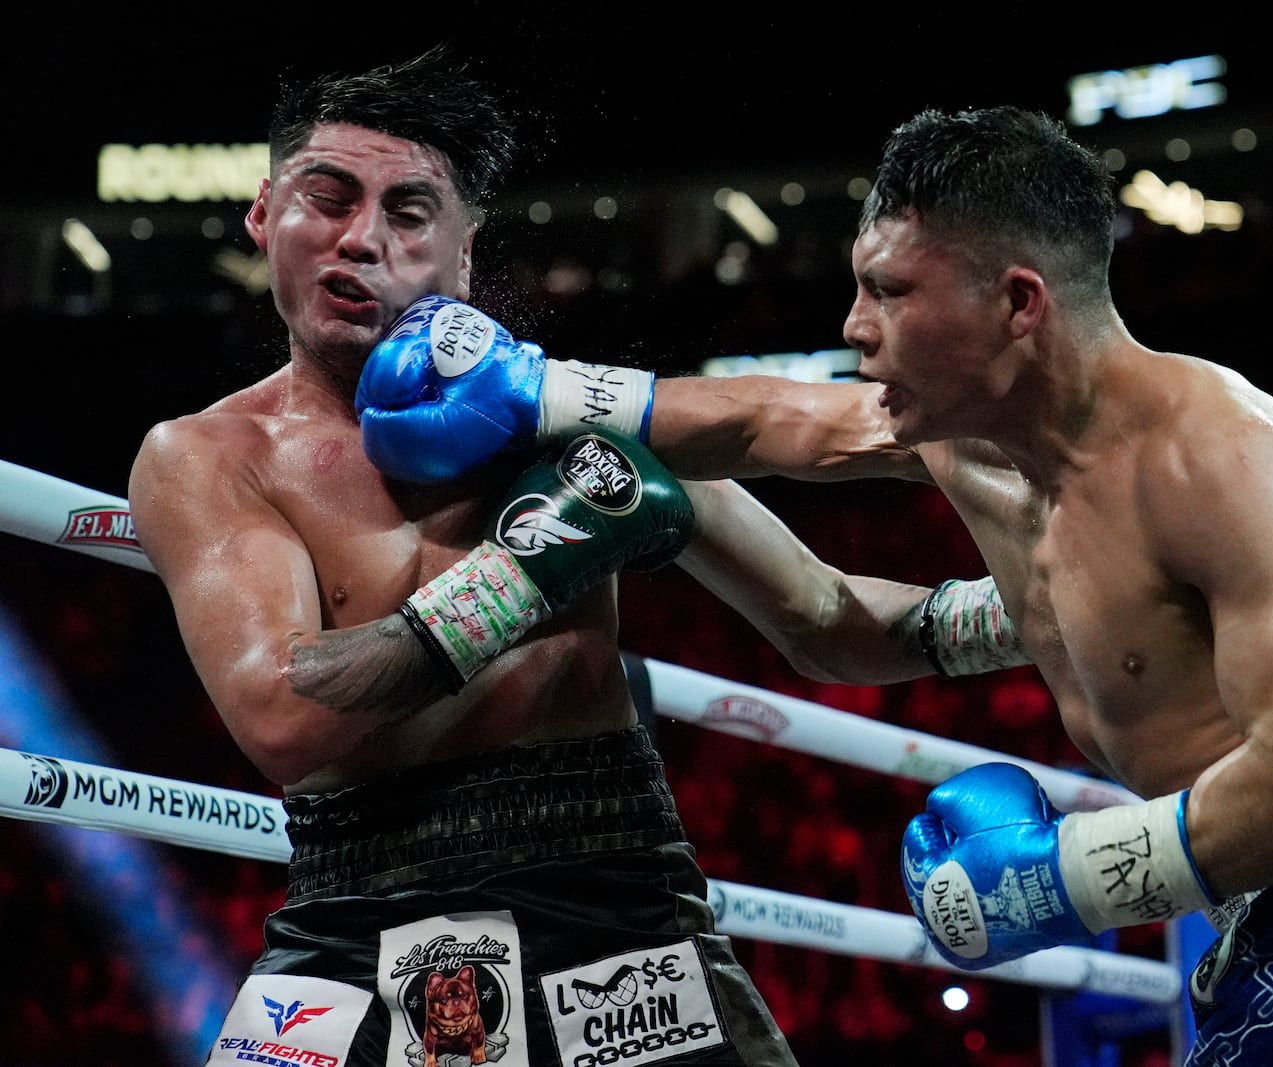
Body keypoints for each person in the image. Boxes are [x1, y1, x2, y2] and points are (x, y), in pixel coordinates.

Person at [357, 105, 1273, 1064]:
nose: (854, 325)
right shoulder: (963, 437)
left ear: (1016, 304)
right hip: (1268, 929)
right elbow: (764, 430)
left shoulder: (1227, 461)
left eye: (890, 292)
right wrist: (535, 396)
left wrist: (1053, 880)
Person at [128, 45, 980, 1067]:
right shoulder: (207, 456)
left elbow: (827, 616)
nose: (362, 239)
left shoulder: (559, 412)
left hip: (611, 894)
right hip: (355, 907)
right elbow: (282, 716)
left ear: (462, 253)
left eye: (408, 211)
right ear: (267, 215)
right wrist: (532, 560)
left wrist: (1035, 611)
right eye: (328, 197)